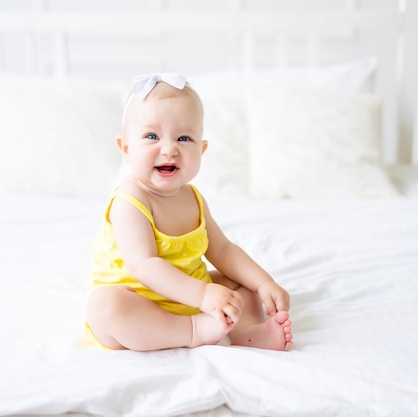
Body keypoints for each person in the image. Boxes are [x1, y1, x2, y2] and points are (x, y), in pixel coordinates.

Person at [84, 73, 293, 351]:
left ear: (202, 150)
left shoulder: (193, 198)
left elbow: (223, 251)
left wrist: (263, 281)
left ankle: (248, 332)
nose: (169, 149)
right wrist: (204, 294)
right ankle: (192, 330)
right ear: (126, 148)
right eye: (151, 136)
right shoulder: (129, 202)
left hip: (191, 296)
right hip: (140, 302)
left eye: (184, 138)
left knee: (238, 280)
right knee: (104, 307)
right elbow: (143, 265)